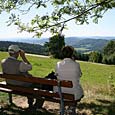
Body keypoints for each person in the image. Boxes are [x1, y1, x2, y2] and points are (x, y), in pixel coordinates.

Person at [1, 44, 34, 108]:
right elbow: (30, 67)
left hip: (9, 84)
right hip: (20, 85)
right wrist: (23, 57)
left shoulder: (3, 61)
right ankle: (31, 104)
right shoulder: (19, 63)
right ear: (17, 53)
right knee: (33, 85)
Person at [54, 45, 84, 113]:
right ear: (72, 54)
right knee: (79, 90)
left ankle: (63, 107)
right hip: (73, 94)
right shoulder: (76, 64)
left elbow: (56, 74)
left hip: (59, 93)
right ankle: (72, 108)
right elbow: (80, 75)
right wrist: (74, 62)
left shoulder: (58, 64)